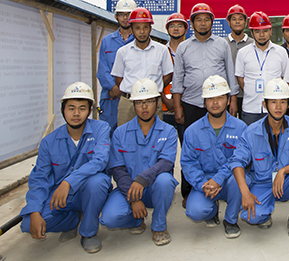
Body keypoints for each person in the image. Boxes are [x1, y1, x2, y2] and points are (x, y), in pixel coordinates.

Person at [20, 82, 111, 253]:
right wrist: (34, 210)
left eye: (82, 108)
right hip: (61, 197)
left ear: (89, 111)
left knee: (97, 182)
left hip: (88, 191)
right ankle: (71, 220)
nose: (76, 113)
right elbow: (40, 179)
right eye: (71, 108)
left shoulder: (101, 129)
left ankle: (88, 233)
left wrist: (68, 182)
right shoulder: (49, 142)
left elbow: (100, 160)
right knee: (28, 224)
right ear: (62, 110)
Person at [230, 79, 289, 239]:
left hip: (287, 182)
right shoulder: (251, 132)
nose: (278, 107)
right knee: (252, 217)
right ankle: (265, 212)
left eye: (283, 102)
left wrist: (283, 171)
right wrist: (245, 192)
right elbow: (237, 161)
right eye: (273, 102)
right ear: (265, 105)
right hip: (262, 183)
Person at [172, 2, 239, 205]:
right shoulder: (183, 47)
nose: (203, 23)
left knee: (222, 147)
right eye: (198, 20)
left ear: (212, 22)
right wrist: (177, 107)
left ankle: (222, 185)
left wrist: (233, 99)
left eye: (206, 19)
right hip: (192, 103)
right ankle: (189, 192)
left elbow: (230, 72)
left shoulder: (221, 44)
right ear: (192, 23)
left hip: (219, 103)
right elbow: (177, 78)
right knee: (191, 149)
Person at [100, 79, 178, 246]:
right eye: (139, 102)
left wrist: (142, 180)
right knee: (109, 219)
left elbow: (166, 163)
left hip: (155, 188)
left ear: (157, 103)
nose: (144, 106)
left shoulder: (168, 131)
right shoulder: (120, 133)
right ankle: (136, 220)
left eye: (149, 101)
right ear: (133, 105)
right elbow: (118, 169)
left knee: (166, 180)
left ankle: (159, 226)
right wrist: (133, 199)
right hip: (129, 189)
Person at [182, 75, 247, 239]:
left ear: (228, 100)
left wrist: (218, 179)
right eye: (210, 98)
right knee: (195, 212)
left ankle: (231, 220)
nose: (215, 102)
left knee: (239, 177)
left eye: (220, 97)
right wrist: (202, 184)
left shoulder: (241, 128)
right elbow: (188, 163)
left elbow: (239, 159)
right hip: (205, 182)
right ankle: (211, 211)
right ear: (204, 102)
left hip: (230, 181)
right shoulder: (192, 131)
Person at [111, 7, 173, 126]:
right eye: (137, 28)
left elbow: (168, 75)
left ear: (150, 28)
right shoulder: (123, 52)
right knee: (125, 134)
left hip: (153, 102)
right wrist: (133, 91)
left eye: (145, 27)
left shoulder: (162, 50)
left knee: (155, 134)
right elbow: (118, 79)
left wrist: (154, 89)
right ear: (131, 29)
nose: (142, 31)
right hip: (128, 103)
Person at [236, 11, 288, 125]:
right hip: (250, 108)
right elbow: (240, 78)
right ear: (252, 33)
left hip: (274, 109)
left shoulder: (281, 52)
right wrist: (250, 91)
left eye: (265, 30)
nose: (261, 34)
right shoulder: (243, 53)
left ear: (270, 31)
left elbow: (284, 77)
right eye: (257, 31)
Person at [97, 0, 135, 133]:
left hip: (131, 97)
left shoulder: (139, 41)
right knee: (108, 133)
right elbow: (102, 69)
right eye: (122, 14)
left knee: (129, 134)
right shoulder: (107, 41)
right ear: (116, 17)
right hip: (110, 96)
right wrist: (113, 87)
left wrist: (124, 89)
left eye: (129, 14)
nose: (125, 18)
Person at [162, 12, 188, 138]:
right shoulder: (161, 51)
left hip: (186, 107)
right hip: (164, 107)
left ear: (186, 29)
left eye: (180, 26)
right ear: (167, 29)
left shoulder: (190, 50)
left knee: (187, 143)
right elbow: (155, 79)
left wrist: (179, 103)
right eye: (172, 26)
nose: (176, 29)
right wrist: (166, 100)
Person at [225, 4, 253, 115]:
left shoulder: (253, 44)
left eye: (240, 19)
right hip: (227, 95)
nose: (237, 22)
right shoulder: (222, 44)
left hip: (249, 95)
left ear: (245, 22)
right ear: (228, 22)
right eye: (234, 19)